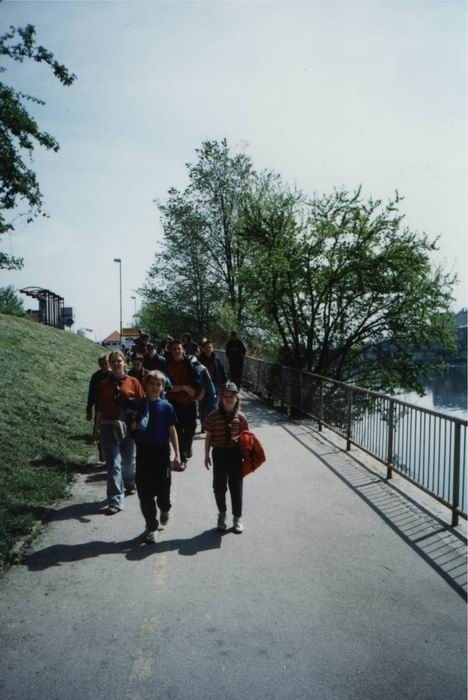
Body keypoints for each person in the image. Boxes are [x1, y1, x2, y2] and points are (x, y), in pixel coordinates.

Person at [128, 370, 181, 544]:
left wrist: (177, 454)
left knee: (163, 492)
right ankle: (151, 527)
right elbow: (131, 426)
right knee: (145, 493)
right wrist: (132, 424)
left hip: (161, 454)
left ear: (163, 387)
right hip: (143, 453)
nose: (155, 387)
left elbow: (172, 431)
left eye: (158, 384)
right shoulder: (138, 405)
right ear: (146, 385)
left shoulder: (166, 407)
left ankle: (165, 508)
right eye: (152, 384)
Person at [93, 350, 145, 515]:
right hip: (108, 426)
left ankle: (129, 482)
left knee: (128, 461)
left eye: (119, 360)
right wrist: (96, 430)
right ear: (109, 364)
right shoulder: (104, 385)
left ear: (125, 363)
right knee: (113, 464)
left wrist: (137, 422)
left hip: (128, 426)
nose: (116, 363)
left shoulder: (133, 382)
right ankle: (115, 500)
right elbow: (99, 409)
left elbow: (142, 405)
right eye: (113, 361)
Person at [204, 381, 249, 533]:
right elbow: (208, 437)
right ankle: (222, 514)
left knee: (236, 487)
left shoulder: (241, 417)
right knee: (218, 487)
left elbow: (247, 438)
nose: (229, 399)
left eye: (232, 396)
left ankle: (237, 518)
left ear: (236, 398)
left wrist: (248, 455)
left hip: (235, 454)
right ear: (221, 398)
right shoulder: (213, 416)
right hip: (219, 453)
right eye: (226, 396)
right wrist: (206, 455)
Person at [164, 339, 205, 469]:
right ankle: (182, 458)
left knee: (191, 428)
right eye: (174, 349)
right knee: (178, 431)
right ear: (171, 351)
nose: (177, 351)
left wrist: (189, 389)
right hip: (174, 403)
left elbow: (200, 381)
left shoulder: (190, 364)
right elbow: (166, 386)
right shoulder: (167, 366)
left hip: (189, 401)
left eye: (179, 349)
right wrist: (183, 388)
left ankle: (187, 447)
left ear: (183, 350)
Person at [86, 354, 111, 461]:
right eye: (102, 364)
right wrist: (89, 410)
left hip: (112, 408)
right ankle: (102, 449)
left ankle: (110, 452)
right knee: (99, 431)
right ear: (99, 364)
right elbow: (91, 394)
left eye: (106, 363)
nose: (104, 365)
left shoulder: (113, 375)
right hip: (99, 408)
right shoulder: (95, 376)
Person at [198, 339, 226, 430]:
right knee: (202, 406)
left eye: (210, 347)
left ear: (212, 348)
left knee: (213, 407)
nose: (208, 349)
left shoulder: (217, 359)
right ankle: (203, 424)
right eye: (206, 347)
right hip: (203, 386)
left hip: (216, 385)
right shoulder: (199, 360)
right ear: (202, 349)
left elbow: (222, 372)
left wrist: (224, 385)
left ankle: (211, 426)